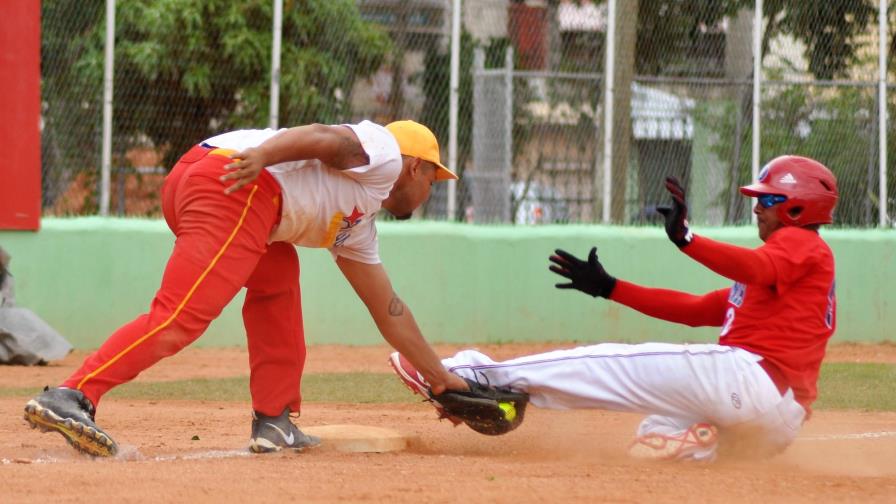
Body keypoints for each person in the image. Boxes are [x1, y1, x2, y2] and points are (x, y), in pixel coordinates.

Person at [24, 119, 469, 457]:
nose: (432, 188)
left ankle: (275, 422)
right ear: (414, 167)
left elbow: (388, 309)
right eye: (433, 178)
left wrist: (440, 378)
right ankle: (73, 394)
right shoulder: (387, 154)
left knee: (278, 280)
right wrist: (263, 156)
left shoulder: (357, 225)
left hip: (225, 185)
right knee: (181, 318)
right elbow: (323, 137)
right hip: (239, 180)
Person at [390, 155, 838, 461]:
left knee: (609, 364)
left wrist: (687, 239)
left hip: (750, 379)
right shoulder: (792, 272)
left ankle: (472, 376)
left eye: (769, 199)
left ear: (799, 208)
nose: (757, 207)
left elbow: (754, 267)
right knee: (653, 439)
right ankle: (712, 445)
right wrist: (610, 287)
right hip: (776, 420)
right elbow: (696, 308)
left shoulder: (802, 247)